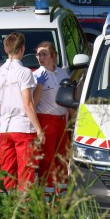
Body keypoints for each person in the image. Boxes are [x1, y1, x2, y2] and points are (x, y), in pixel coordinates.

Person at [0, 32, 46, 192]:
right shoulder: (25, 73)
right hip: (23, 128)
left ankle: (6, 206)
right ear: (22, 49)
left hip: (5, 129)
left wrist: (7, 112)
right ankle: (24, 208)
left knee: (7, 170)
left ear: (5, 49)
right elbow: (28, 104)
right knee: (26, 171)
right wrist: (39, 129)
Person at [32, 41, 73, 199]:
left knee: (62, 158)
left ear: (53, 56)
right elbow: (33, 102)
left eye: (44, 54)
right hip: (46, 120)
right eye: (38, 54)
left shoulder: (63, 73)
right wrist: (40, 86)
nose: (41, 58)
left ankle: (62, 194)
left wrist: (74, 116)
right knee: (47, 159)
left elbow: (69, 97)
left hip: (62, 120)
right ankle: (47, 196)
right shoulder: (36, 76)